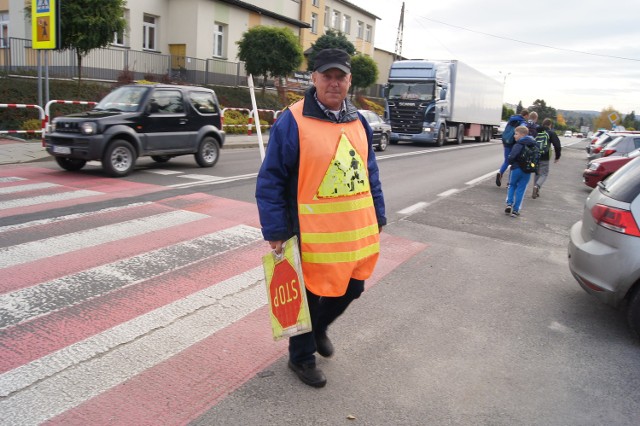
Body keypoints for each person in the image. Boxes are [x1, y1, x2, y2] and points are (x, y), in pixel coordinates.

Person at [255, 48, 386, 388]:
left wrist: (379, 215)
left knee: (353, 287)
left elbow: (369, 172)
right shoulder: (293, 120)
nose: (333, 82)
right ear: (313, 78)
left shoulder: (358, 122)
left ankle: (318, 330)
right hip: (306, 230)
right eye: (326, 76)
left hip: (352, 230)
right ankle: (300, 358)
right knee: (308, 297)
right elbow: (272, 179)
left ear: (349, 80)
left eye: (340, 76)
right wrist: (276, 230)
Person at [504, 125, 536, 217]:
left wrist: (510, 161)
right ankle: (516, 210)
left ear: (522, 135)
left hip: (516, 168)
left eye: (516, 134)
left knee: (512, 186)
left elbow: (512, 156)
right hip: (527, 171)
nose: (514, 136)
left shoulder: (519, 144)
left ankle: (509, 203)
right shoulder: (533, 144)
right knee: (521, 190)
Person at [496, 109, 529, 187]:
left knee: (506, 161)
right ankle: (509, 182)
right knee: (513, 162)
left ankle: (500, 173)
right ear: (526, 115)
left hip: (506, 141)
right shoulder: (522, 121)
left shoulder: (512, 119)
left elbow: (506, 130)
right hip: (514, 143)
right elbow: (523, 130)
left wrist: (504, 142)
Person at [532, 118, 562, 198]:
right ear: (550, 125)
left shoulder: (537, 131)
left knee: (537, 172)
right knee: (544, 173)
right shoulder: (551, 133)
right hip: (545, 156)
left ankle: (535, 189)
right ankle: (537, 186)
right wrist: (557, 156)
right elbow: (557, 145)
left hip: (536, 155)